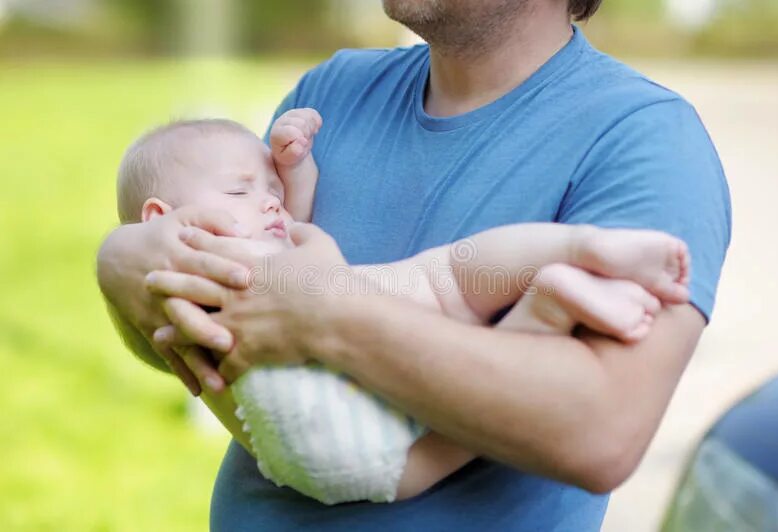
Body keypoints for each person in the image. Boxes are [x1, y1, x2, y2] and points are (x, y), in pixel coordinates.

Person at [96, 0, 731, 529]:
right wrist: (121, 265)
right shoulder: (332, 93)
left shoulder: (645, 139)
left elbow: (600, 433)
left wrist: (322, 311)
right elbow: (215, 343)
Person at [113, 115, 688, 504]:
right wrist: (118, 257)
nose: (270, 201)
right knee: (437, 440)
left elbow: (303, 228)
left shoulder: (638, 133)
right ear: (161, 217)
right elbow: (159, 331)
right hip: (329, 431)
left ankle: (576, 255)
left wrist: (296, 172)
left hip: (350, 330)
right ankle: (542, 310)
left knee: (453, 270)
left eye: (272, 188)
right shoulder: (193, 274)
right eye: (243, 193)